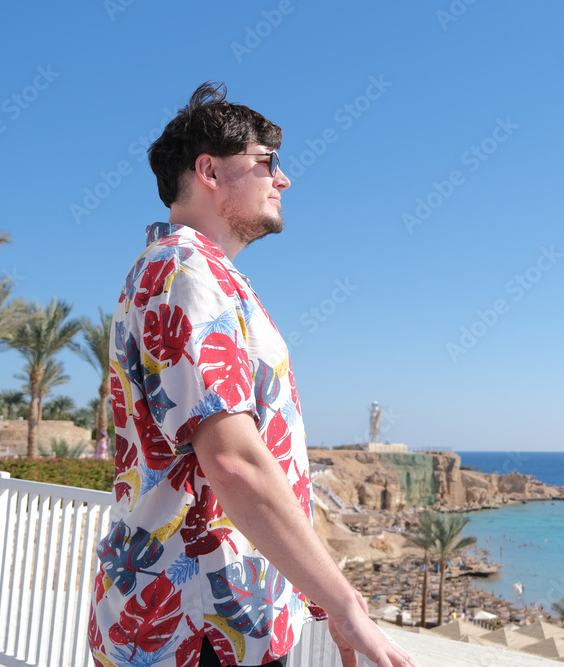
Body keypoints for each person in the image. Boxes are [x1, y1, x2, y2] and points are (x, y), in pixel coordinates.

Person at [88, 82, 417, 667]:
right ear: (210, 170)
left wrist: (318, 596)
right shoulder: (185, 272)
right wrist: (345, 607)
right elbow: (234, 462)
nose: (283, 180)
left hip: (212, 617)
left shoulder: (198, 273)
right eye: (268, 162)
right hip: (202, 626)